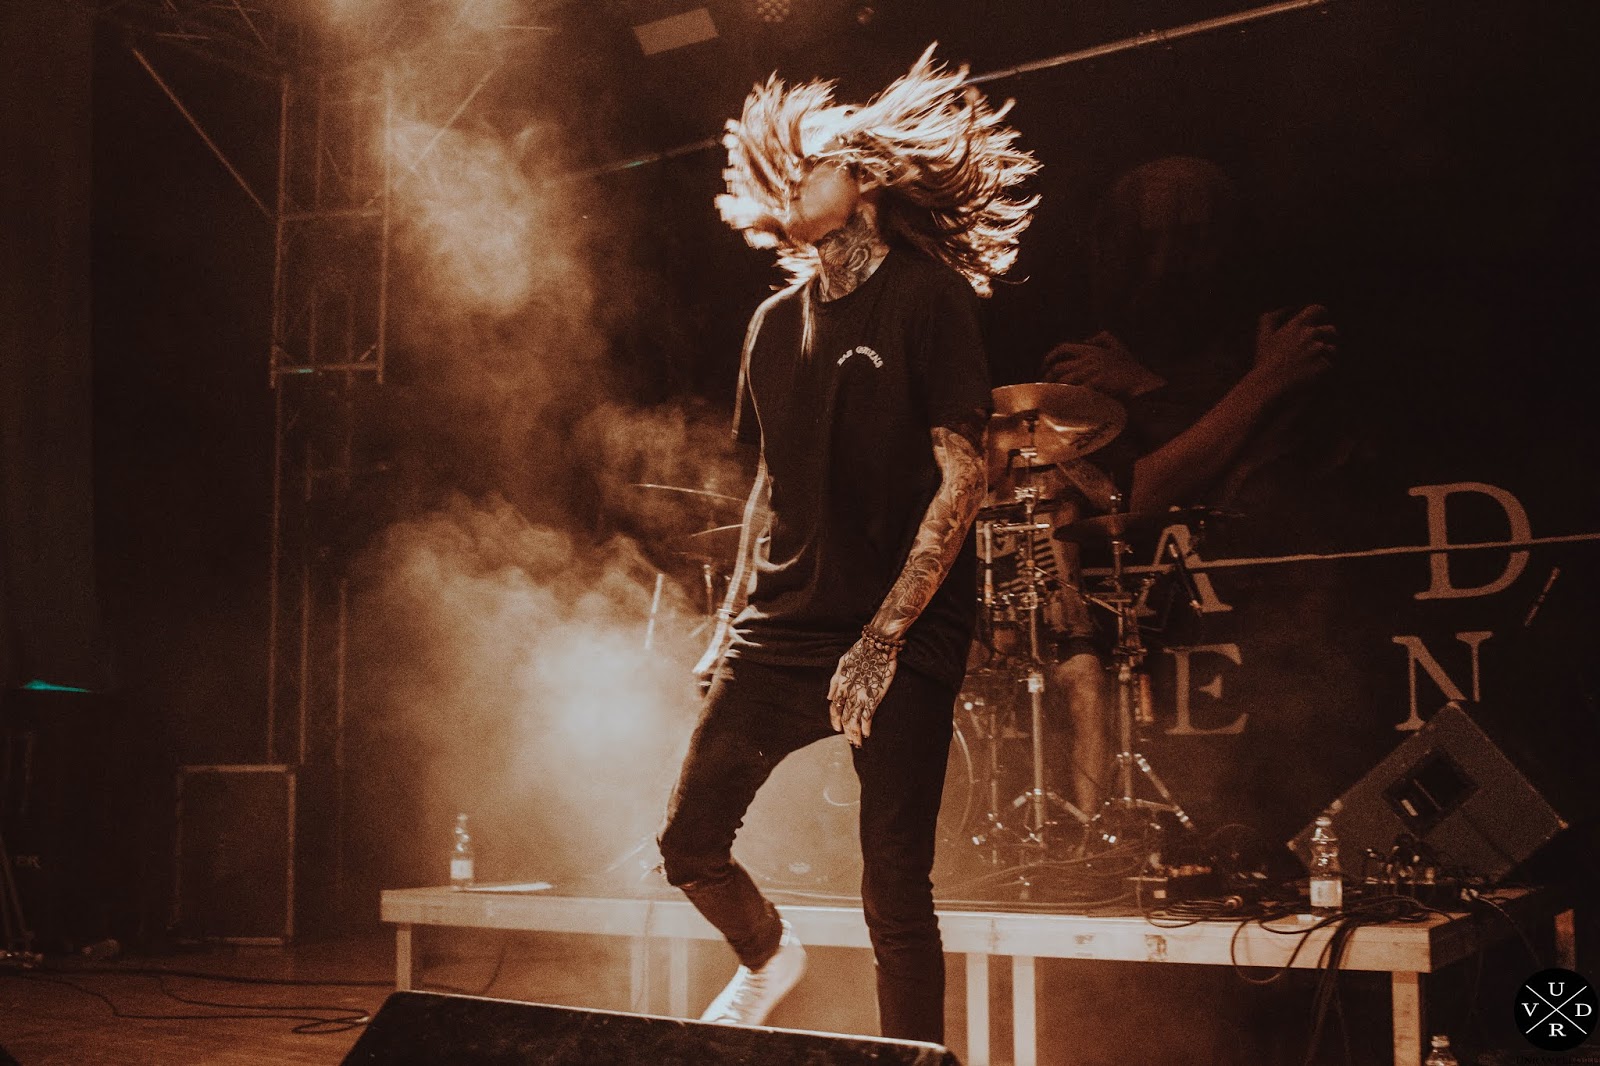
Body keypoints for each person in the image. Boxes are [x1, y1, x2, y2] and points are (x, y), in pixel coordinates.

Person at [655, 48, 1038, 1043]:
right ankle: (767, 952)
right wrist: (729, 624)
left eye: (813, 163)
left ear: (865, 181)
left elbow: (964, 478)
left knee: (894, 890)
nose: (791, 178)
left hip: (903, 630)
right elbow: (768, 489)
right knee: (688, 842)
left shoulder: (927, 299)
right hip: (785, 623)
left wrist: (881, 638)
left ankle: (912, 1060)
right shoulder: (771, 324)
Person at [1043, 156, 1338, 515]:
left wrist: (1147, 390)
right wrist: (1265, 382)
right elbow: (1136, 497)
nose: (1165, 263)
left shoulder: (1280, 334)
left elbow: (1259, 483)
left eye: (1192, 238)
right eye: (1147, 241)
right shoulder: (1097, 358)